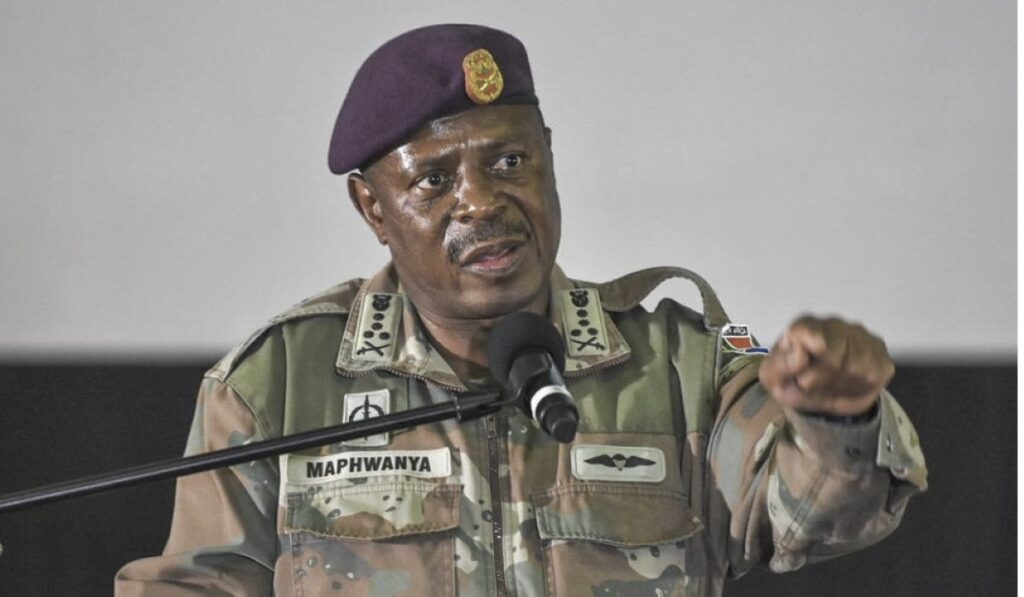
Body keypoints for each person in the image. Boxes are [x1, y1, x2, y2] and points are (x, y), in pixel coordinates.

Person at [115, 24, 927, 597]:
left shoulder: (679, 368)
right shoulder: (277, 387)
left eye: (509, 161)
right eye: (434, 180)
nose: (482, 201)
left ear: (549, 158)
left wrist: (839, 417)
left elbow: (814, 514)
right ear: (372, 208)